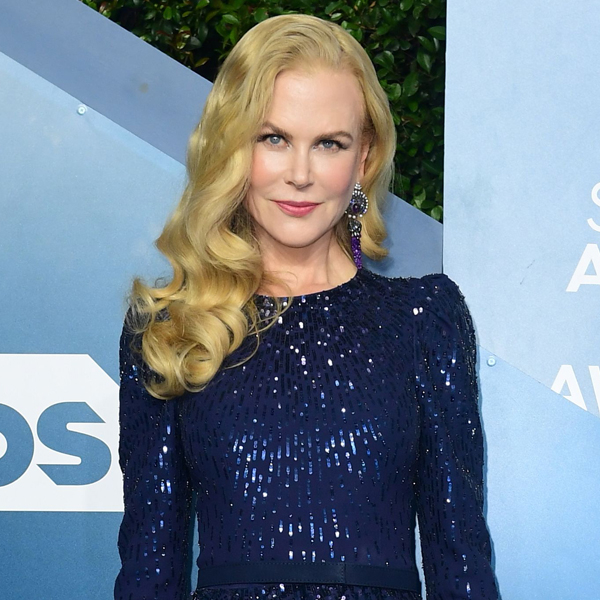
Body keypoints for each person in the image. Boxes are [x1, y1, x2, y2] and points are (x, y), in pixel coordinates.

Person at [114, 13, 500, 600]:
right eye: (273, 138)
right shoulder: (171, 327)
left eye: (328, 144)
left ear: (364, 157)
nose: (300, 174)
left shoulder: (424, 317)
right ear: (232, 148)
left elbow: (461, 559)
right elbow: (149, 567)